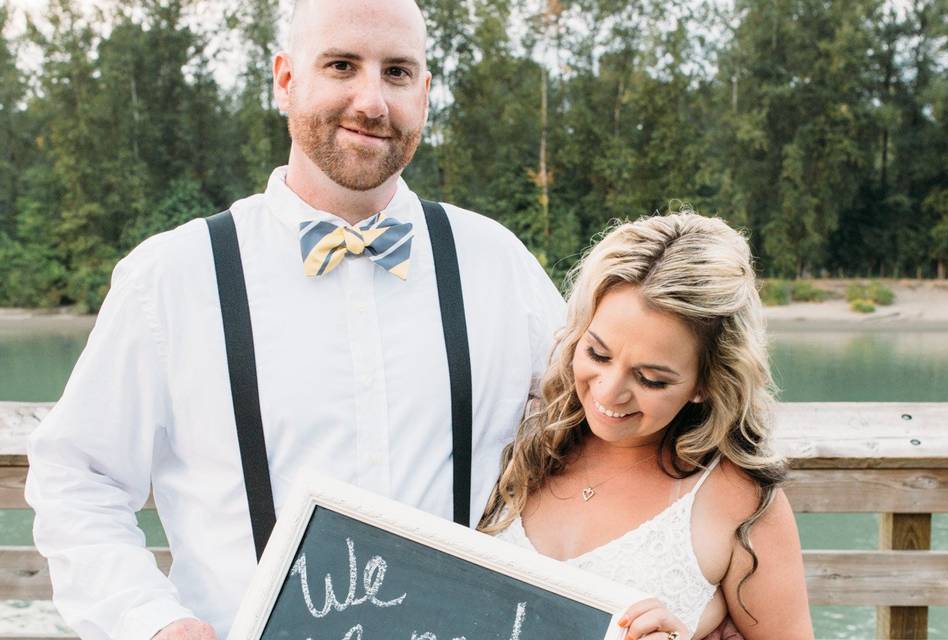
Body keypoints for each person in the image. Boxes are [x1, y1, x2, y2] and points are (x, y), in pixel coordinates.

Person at [24, 1, 564, 638]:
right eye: (341, 65)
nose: (371, 101)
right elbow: (78, 480)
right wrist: (154, 622)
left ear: (424, 93)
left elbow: (603, 440)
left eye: (397, 73)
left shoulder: (497, 264)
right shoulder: (172, 277)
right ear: (285, 80)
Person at [480, 212, 814, 640]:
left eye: (650, 379)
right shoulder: (519, 440)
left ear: (705, 384)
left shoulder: (740, 501)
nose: (609, 392)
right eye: (598, 354)